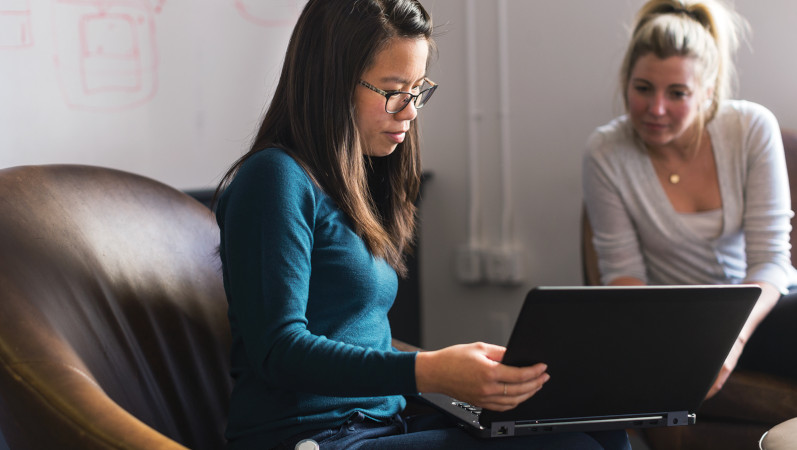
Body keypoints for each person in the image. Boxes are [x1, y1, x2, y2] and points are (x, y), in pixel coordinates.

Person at [215, 0, 630, 449]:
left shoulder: (354, 182)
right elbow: (279, 349)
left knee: (594, 423)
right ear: (329, 83)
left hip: (381, 426)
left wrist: (472, 374)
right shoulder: (274, 178)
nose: (410, 111)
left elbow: (353, 336)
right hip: (314, 436)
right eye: (394, 91)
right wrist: (431, 371)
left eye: (417, 90)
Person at [583, 0, 797, 400]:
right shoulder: (606, 152)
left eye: (677, 93)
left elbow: (771, 261)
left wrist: (732, 340)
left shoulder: (751, 128)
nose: (656, 109)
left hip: (759, 316)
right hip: (674, 324)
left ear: (708, 92)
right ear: (626, 80)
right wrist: (674, 346)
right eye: (642, 88)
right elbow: (623, 274)